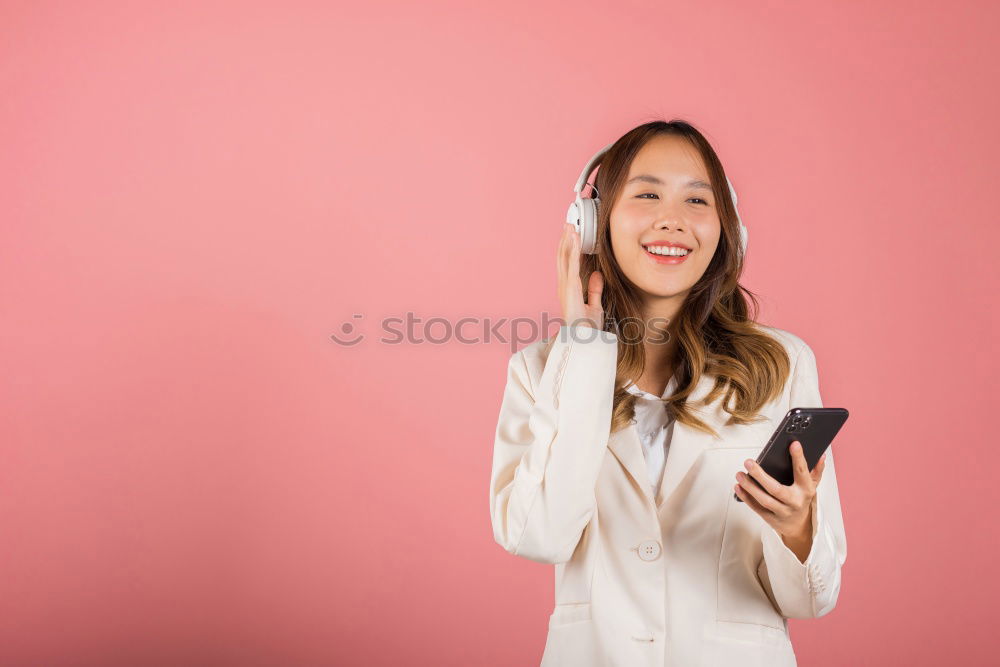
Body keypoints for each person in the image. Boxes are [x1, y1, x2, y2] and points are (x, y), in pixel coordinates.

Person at [488, 119, 847, 666]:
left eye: (697, 201)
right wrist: (583, 346)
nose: (672, 220)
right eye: (648, 193)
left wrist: (797, 527)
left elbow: (813, 599)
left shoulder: (781, 364)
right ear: (591, 225)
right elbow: (540, 534)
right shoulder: (541, 371)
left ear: (727, 231)